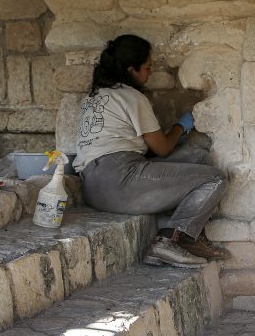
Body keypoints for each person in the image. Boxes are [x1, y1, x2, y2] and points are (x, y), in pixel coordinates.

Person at [74, 34, 230, 268]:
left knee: (198, 156)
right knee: (215, 179)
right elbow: (163, 148)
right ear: (131, 69)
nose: (149, 73)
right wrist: (182, 125)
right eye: (147, 68)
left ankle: (190, 236)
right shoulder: (131, 96)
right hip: (120, 179)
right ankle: (168, 240)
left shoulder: (93, 97)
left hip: (92, 186)